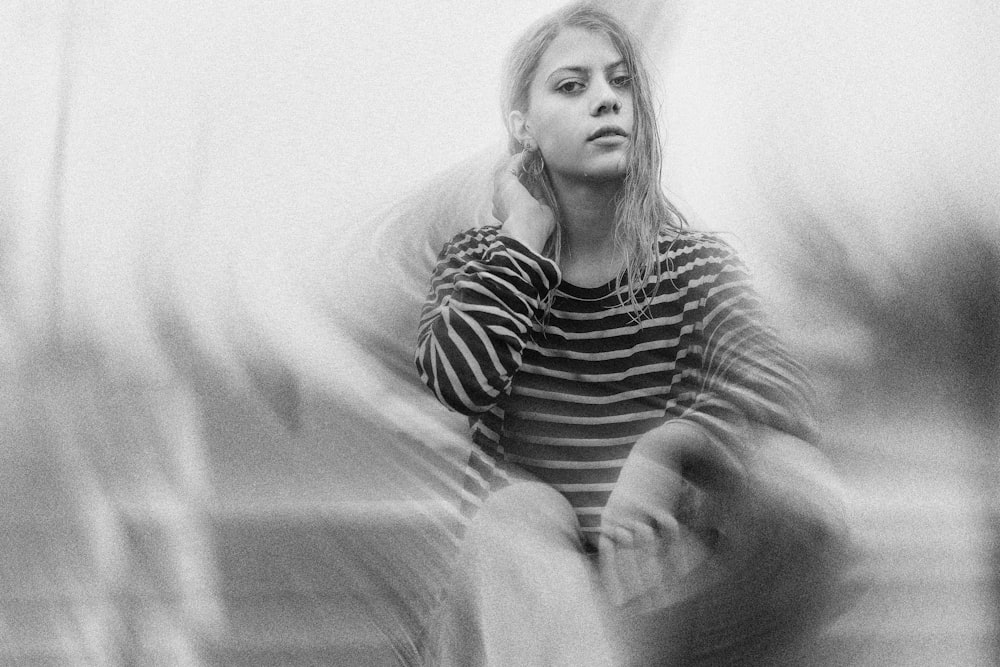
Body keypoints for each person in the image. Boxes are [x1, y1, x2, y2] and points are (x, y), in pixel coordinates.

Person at [414, 3, 850, 665]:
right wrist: (526, 232)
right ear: (521, 127)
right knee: (520, 509)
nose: (605, 101)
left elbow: (777, 386)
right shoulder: (482, 257)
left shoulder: (692, 263)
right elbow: (458, 379)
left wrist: (668, 446)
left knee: (796, 482)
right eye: (572, 85)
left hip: (651, 593)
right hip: (521, 604)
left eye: (621, 84)